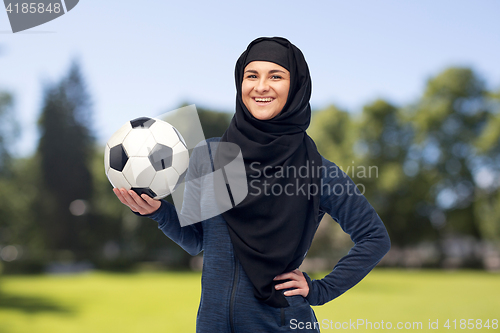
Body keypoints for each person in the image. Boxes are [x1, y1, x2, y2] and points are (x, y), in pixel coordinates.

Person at [113, 37, 391, 332]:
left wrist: (320, 290)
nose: (261, 86)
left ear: (295, 87)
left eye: (276, 76)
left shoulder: (317, 171)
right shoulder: (211, 154)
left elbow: (375, 238)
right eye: (251, 75)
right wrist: (157, 211)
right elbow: (197, 240)